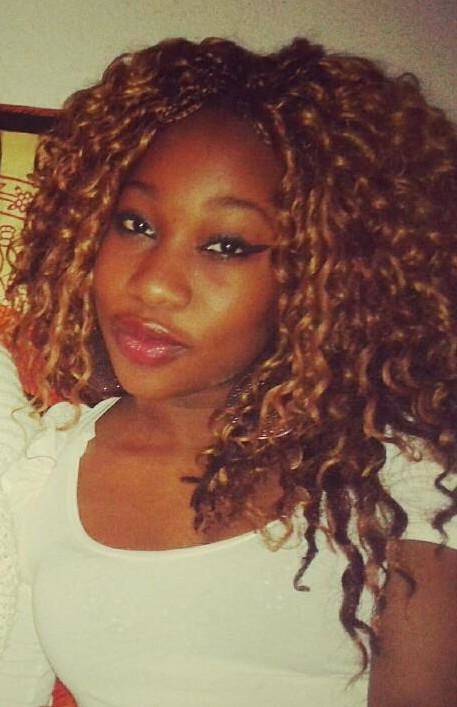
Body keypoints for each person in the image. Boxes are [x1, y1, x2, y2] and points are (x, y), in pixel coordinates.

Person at [0, 36, 455, 707]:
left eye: (225, 245)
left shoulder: (408, 477)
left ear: (327, 275)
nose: (153, 285)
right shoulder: (40, 472)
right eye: (134, 224)